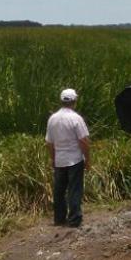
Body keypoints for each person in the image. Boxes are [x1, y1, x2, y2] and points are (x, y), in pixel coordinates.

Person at [45, 88, 90, 227]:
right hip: (75, 159)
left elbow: (49, 142)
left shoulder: (53, 119)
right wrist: (87, 159)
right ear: (74, 101)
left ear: (61, 101)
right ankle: (75, 219)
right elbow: (84, 141)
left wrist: (53, 159)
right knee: (74, 190)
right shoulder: (76, 118)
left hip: (60, 160)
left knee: (59, 190)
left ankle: (59, 219)